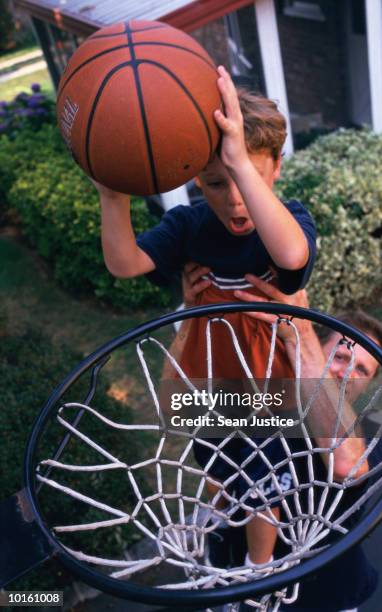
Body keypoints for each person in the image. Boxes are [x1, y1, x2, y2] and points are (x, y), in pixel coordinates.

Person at [92, 66, 317, 567]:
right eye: (217, 183)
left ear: (275, 167)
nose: (234, 198)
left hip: (268, 390)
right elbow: (124, 264)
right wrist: (112, 194)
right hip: (207, 382)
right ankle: (219, 525)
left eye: (246, 179)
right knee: (215, 465)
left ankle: (261, 571)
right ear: (197, 178)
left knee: (263, 488)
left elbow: (293, 257)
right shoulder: (189, 224)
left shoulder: (290, 221)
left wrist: (237, 161)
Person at [182, 265, 382, 611]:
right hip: (246, 581)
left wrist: (303, 334)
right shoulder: (258, 410)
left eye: (362, 370)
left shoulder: (375, 435)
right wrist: (198, 316)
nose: (347, 372)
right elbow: (214, 469)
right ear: (314, 354)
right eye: (341, 356)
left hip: (328, 595)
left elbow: (347, 465)